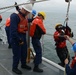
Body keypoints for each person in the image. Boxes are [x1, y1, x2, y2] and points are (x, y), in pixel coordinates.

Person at [10, 4, 32, 74]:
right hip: (16, 37)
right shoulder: (14, 16)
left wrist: (33, 19)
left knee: (24, 52)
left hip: (22, 35)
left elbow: (26, 20)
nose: (28, 14)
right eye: (28, 12)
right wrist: (19, 39)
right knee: (17, 53)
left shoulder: (24, 16)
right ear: (25, 10)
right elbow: (13, 31)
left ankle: (23, 64)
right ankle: (14, 67)